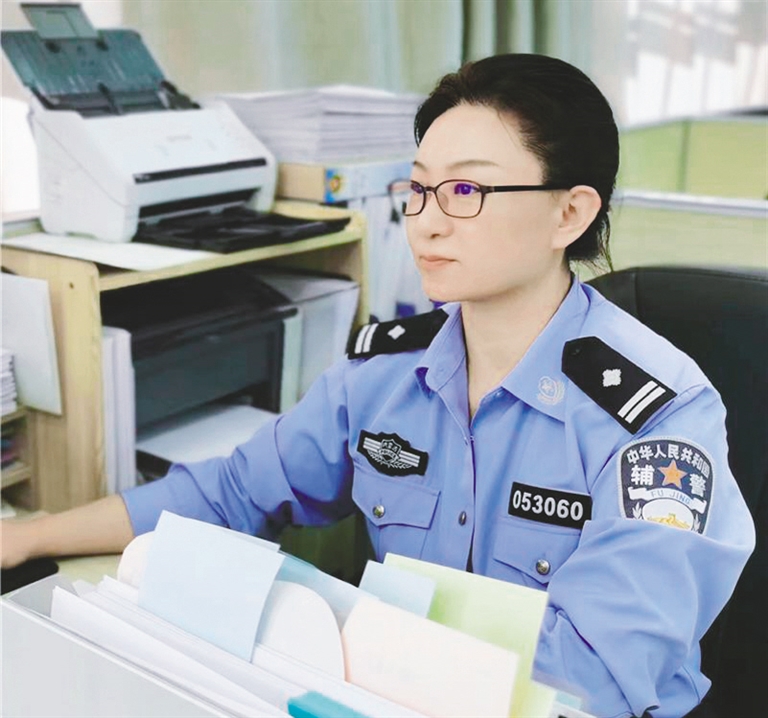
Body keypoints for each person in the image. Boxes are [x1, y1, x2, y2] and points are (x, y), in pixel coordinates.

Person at [2, 54, 754, 717]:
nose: (425, 223)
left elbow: (596, 678)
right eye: (418, 189)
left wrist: (346, 640)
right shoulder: (385, 374)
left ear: (570, 212)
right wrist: (28, 537)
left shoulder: (657, 420)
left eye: (466, 191)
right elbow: (231, 492)